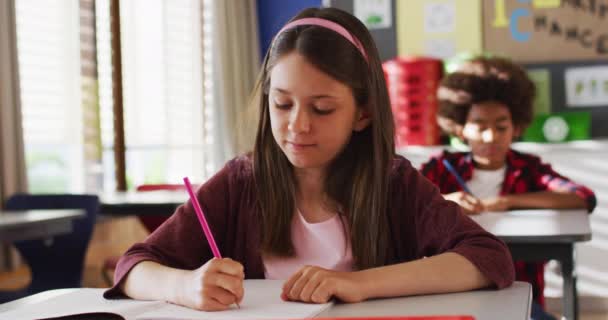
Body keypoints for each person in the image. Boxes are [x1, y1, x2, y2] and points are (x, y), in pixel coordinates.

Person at [104, 8, 515, 311]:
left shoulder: (393, 184)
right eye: (282, 105)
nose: (297, 127)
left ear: (364, 113)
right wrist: (186, 286)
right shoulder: (241, 183)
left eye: (321, 109)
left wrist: (358, 283)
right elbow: (133, 266)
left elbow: (488, 258)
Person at [420, 56, 596, 320]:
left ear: (516, 128)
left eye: (501, 127)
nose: (490, 137)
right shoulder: (442, 168)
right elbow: (399, 203)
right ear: (461, 128)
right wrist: (445, 200)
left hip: (519, 297)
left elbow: (581, 197)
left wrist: (506, 202)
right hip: (452, 298)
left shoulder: (528, 168)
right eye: (479, 126)